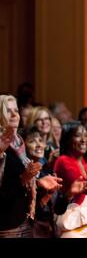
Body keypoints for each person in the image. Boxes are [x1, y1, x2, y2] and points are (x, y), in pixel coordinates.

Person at [0, 95, 62, 238]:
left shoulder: (19, 143)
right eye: (8, 111)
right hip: (7, 226)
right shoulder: (4, 146)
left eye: (16, 110)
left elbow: (19, 187)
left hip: (24, 221)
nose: (15, 114)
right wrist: (24, 178)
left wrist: (38, 183)